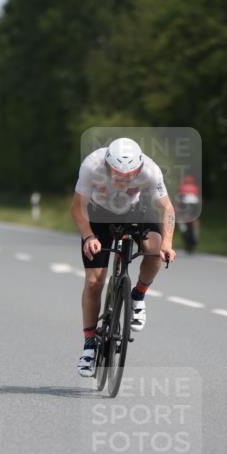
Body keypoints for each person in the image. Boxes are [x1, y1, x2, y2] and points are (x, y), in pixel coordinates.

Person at [71, 137, 177, 377]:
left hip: (136, 211)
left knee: (156, 248)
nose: (123, 180)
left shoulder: (150, 170)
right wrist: (88, 237)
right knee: (94, 282)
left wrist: (168, 242)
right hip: (99, 215)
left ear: (139, 168)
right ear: (108, 166)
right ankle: (89, 345)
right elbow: (78, 207)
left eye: (130, 175)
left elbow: (167, 208)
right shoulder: (92, 165)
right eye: (118, 174)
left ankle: (138, 295)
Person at [176, 174, 201, 253]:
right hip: (194, 209)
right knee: (195, 221)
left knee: (182, 223)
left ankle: (184, 233)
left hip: (184, 209)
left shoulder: (181, 187)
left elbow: (178, 199)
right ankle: (196, 233)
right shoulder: (195, 188)